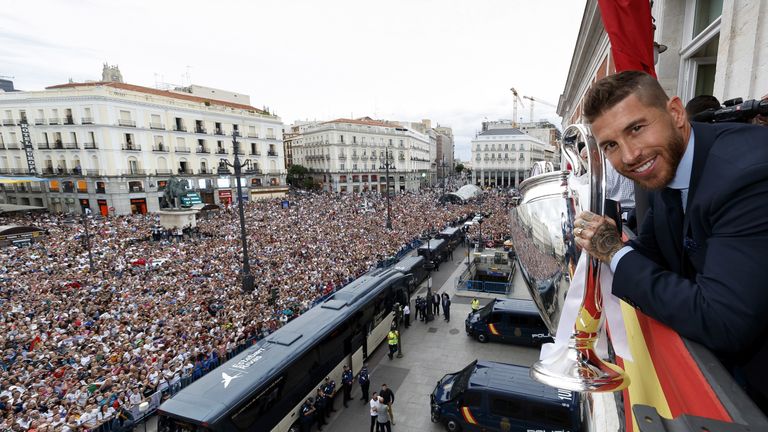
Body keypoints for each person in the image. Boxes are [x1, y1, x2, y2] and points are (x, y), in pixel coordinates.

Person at [574, 70, 768, 413]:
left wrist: (614, 253)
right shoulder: (672, 165)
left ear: (676, 113)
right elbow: (651, 252)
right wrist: (606, 254)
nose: (630, 155)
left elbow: (722, 320)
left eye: (636, 128)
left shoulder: (746, 174)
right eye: (611, 146)